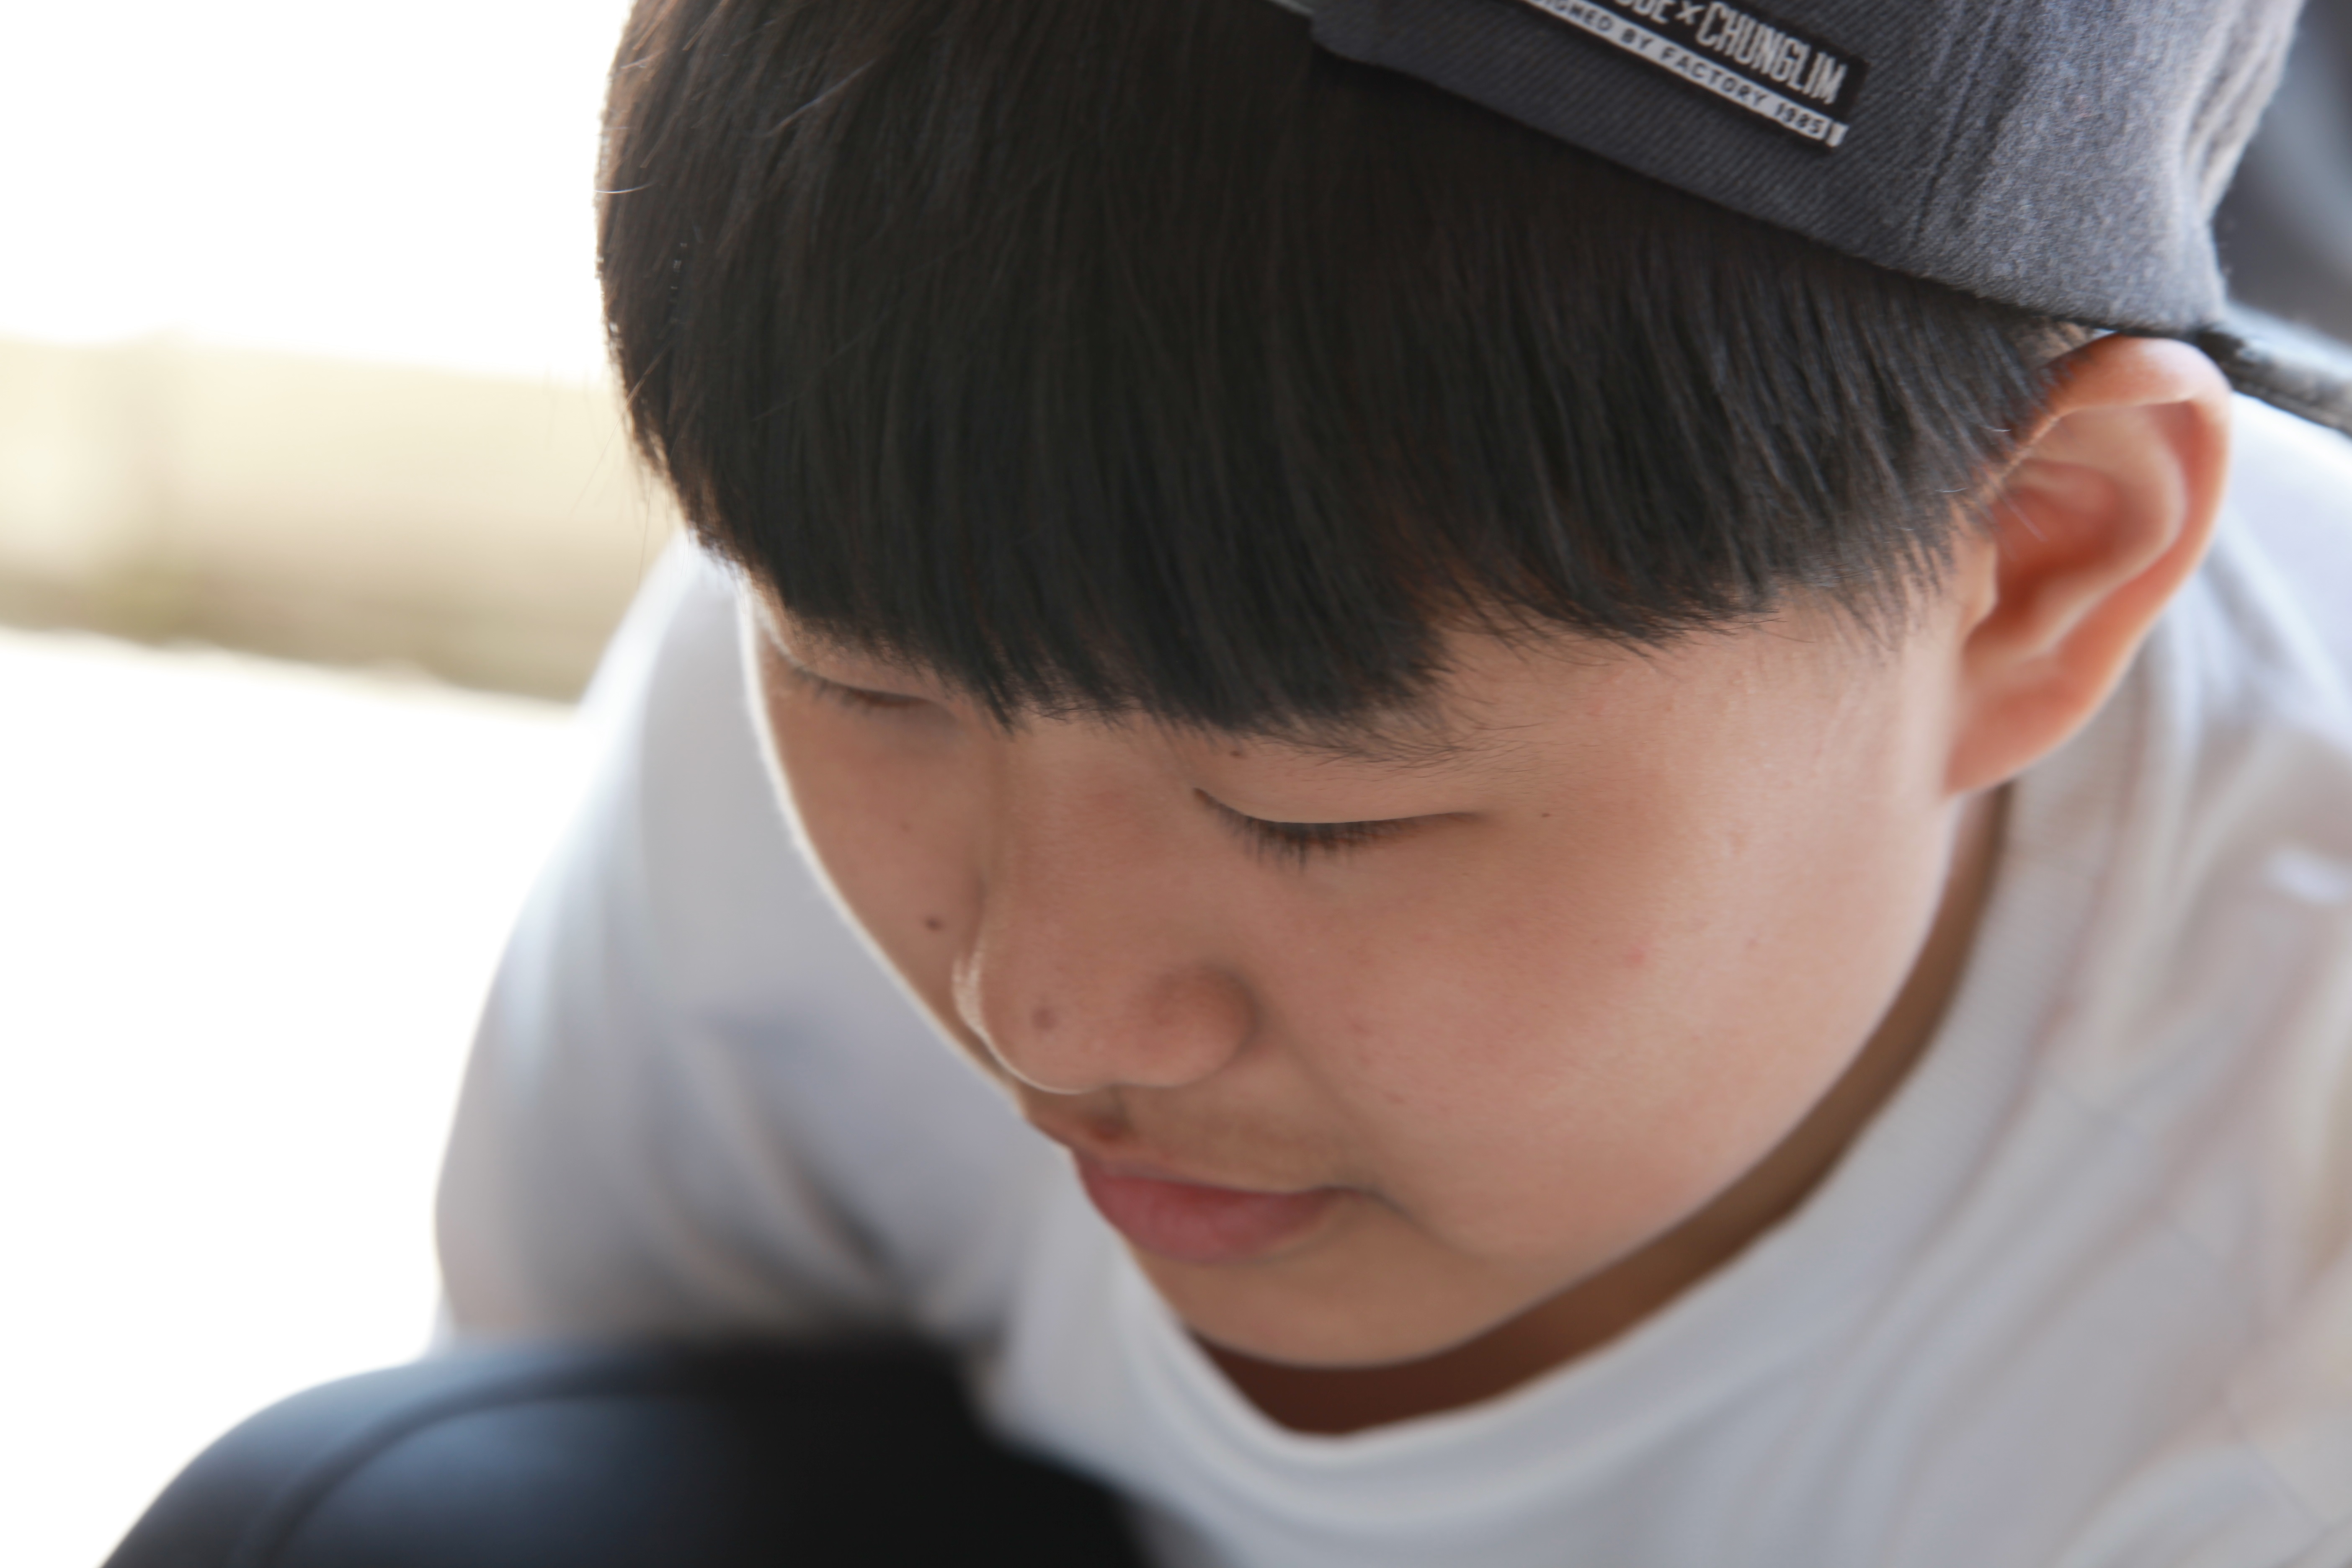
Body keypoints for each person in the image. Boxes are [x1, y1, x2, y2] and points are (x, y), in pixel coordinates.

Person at [112, 1, 2352, 1565]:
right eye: (862, 681)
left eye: (1314, 815)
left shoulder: (2288, 1309)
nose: (1044, 1008)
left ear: (2027, 577)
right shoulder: (946, 574)